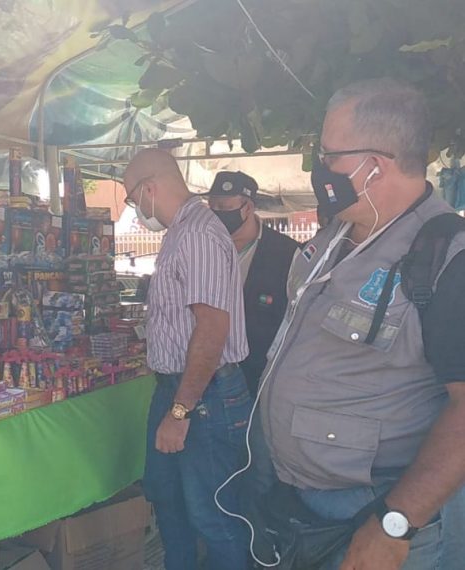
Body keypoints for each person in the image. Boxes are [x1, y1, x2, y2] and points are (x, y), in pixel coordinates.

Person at [249, 78, 465, 570]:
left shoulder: (447, 257)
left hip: (376, 513)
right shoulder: (337, 234)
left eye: (329, 156)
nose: (319, 169)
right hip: (300, 502)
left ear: (375, 166)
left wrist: (395, 522)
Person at [123, 149, 252, 570]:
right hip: (178, 390)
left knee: (213, 518)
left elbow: (212, 329)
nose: (133, 209)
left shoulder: (197, 234)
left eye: (131, 198)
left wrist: (180, 411)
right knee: (169, 502)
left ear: (149, 189)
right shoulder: (180, 232)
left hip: (203, 396)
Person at [205, 171, 298, 396]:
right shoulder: (203, 248)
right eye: (213, 207)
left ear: (247, 207)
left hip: (260, 379)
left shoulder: (286, 253)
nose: (217, 214)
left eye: (225, 208)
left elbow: (297, 318)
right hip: (208, 376)